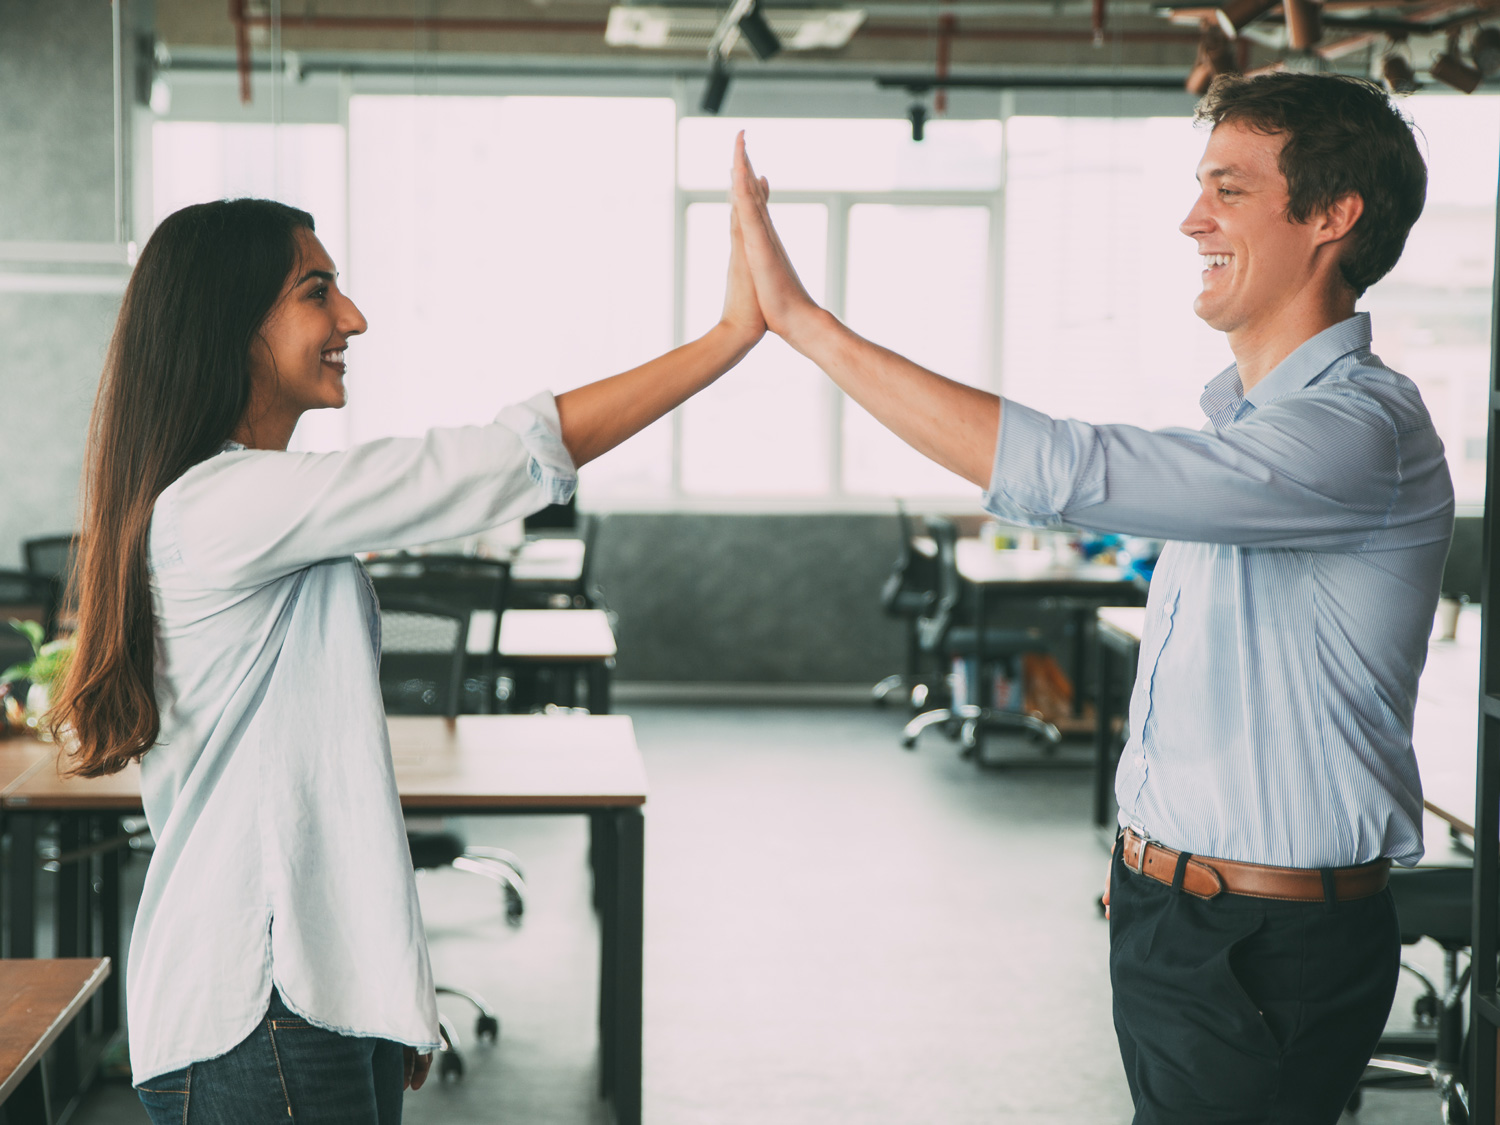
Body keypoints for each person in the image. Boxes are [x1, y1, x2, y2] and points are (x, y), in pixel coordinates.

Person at [730, 73, 1453, 1122]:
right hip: (1185, 911)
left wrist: (802, 323)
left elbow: (1070, 470)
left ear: (1332, 217)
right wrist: (1150, 855)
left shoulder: (1358, 432)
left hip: (1263, 943)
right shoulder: (1255, 431)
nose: (1191, 217)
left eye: (1230, 189)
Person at [51, 196, 764, 1124]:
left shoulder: (234, 508)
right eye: (319, 291)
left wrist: (388, 992)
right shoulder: (221, 507)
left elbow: (326, 790)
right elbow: (486, 464)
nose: (352, 317)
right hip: (259, 1011)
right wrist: (729, 338)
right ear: (233, 324)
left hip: (301, 1002)